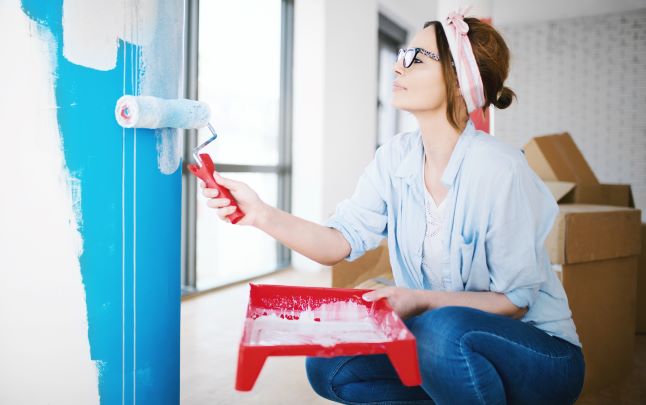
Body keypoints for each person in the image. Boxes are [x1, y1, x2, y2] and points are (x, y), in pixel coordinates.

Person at [200, 8, 585, 405]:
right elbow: (338, 242)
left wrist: (418, 299)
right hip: (444, 346)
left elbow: (516, 301)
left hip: (542, 357)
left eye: (417, 58)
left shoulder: (500, 169)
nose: (399, 67)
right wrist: (260, 213)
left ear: (458, 81)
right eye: (402, 55)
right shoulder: (394, 158)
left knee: (438, 331)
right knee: (329, 365)